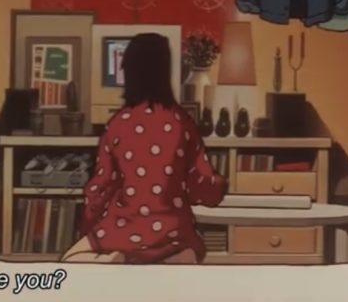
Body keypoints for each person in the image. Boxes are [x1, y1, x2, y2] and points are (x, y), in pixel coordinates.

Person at [61, 33, 226, 264]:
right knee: (186, 252)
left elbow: (101, 187)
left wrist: (89, 226)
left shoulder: (118, 124)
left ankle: (111, 260)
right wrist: (219, 185)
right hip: (174, 232)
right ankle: (175, 258)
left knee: (70, 260)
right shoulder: (183, 123)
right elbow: (203, 185)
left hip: (123, 228)